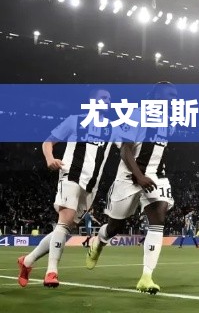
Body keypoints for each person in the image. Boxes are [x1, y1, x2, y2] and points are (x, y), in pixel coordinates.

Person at [86, 82, 177, 294]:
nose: (174, 98)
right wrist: (139, 175)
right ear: (157, 97)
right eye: (170, 94)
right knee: (115, 227)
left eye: (175, 95)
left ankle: (146, 277)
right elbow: (125, 151)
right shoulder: (135, 115)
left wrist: (150, 175)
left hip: (156, 176)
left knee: (158, 217)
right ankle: (99, 242)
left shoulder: (170, 122)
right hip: (128, 176)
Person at [18, 89, 114, 288]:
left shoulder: (112, 128)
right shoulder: (75, 120)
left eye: (109, 99)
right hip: (71, 175)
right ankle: (51, 272)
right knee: (64, 222)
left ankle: (27, 261)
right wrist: (50, 159)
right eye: (103, 97)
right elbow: (48, 142)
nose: (107, 101)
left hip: (91, 186)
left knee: (65, 229)